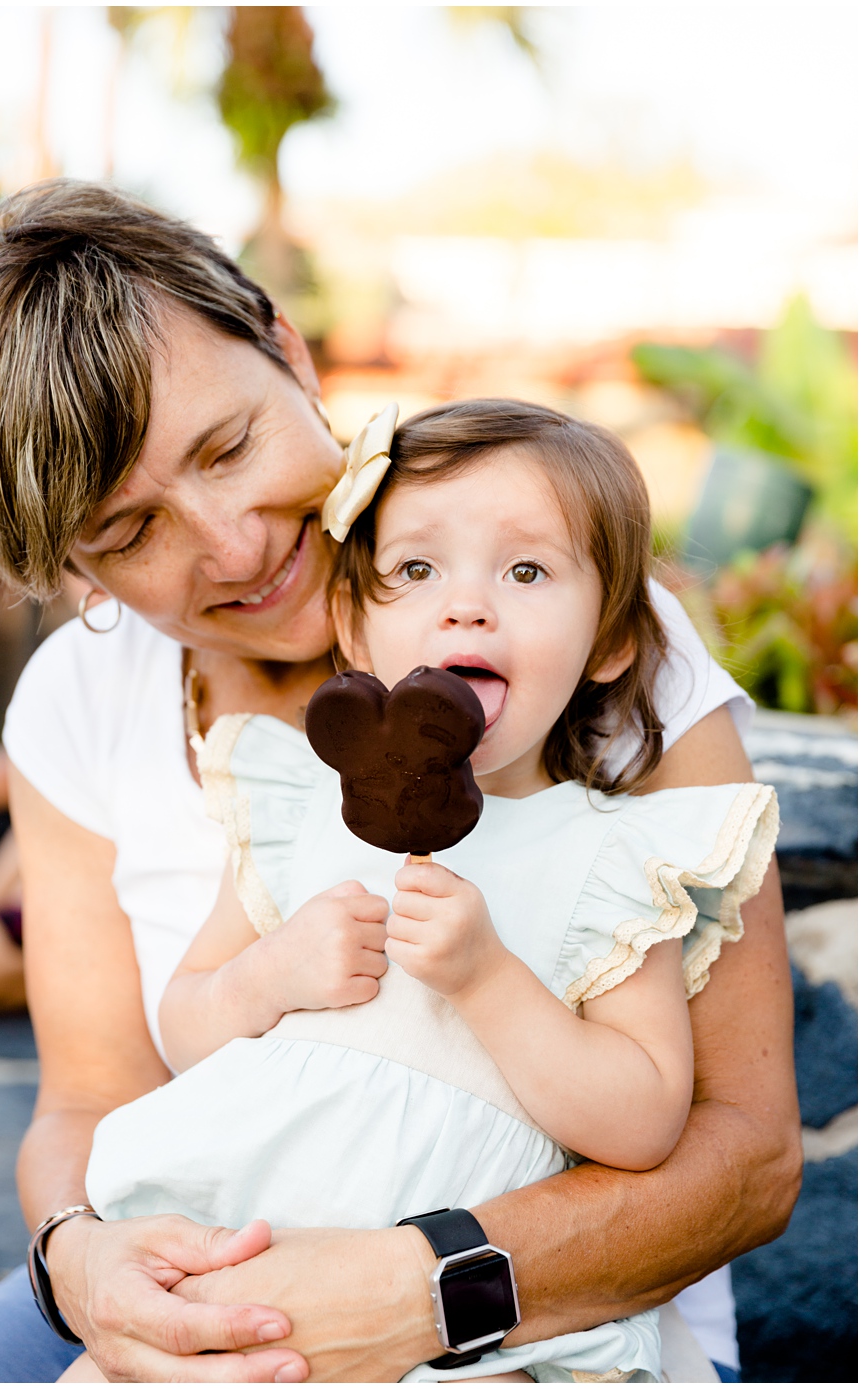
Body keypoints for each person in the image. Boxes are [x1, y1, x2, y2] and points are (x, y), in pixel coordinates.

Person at [0, 181, 797, 1383]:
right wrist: (81, 1266)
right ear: (73, 572)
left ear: (287, 348)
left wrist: (422, 1289)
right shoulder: (83, 708)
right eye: (130, 532)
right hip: (209, 1294)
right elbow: (90, 1100)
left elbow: (747, 1157)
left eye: (231, 446)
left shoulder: (562, 633)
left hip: (537, 1326)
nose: (235, 546)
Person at [76, 400, 779, 1382]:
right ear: (354, 631)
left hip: (486, 1341)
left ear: (613, 641)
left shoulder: (613, 859)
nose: (467, 605)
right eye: (416, 570)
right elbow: (186, 1027)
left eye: (526, 571)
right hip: (246, 1272)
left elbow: (648, 1119)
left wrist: (490, 980)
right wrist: (270, 975)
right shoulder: (301, 818)